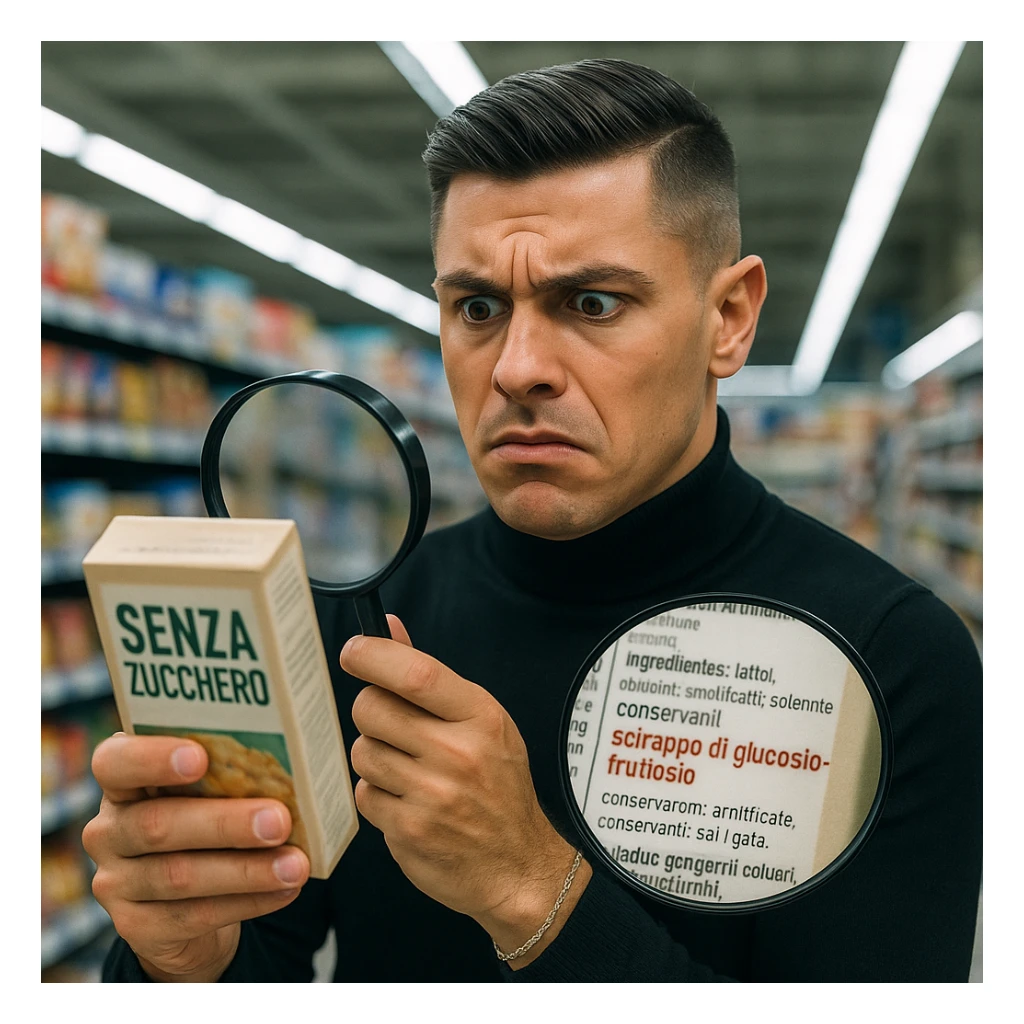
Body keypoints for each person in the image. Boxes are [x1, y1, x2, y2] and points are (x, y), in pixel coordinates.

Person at [87, 58, 982, 983]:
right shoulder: (355, 622)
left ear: (728, 318)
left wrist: (529, 886)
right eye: (477, 307)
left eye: (591, 303)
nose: (517, 368)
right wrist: (176, 961)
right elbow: (255, 962)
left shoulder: (892, 660)